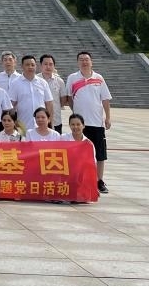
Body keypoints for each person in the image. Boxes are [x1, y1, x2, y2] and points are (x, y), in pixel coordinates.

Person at [64, 51, 113, 193]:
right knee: (79, 154)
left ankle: (99, 181)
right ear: (77, 62)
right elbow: (69, 98)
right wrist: (76, 113)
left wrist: (108, 117)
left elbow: (105, 99)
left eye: (86, 59)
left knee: (100, 154)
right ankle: (81, 179)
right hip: (79, 126)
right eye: (81, 59)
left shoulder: (99, 78)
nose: (84, 62)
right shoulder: (72, 78)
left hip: (97, 123)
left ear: (91, 62)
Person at [8, 55, 54, 132]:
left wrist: (50, 122)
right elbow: (12, 105)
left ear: (36, 66)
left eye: (32, 65)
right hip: (22, 125)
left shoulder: (42, 83)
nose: (30, 67)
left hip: (41, 124)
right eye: (27, 65)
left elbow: (49, 103)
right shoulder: (15, 83)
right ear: (22, 66)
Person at [40, 54, 66, 133]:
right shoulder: (36, 80)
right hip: (38, 120)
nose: (48, 67)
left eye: (51, 64)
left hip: (56, 120)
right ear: (41, 65)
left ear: (54, 66)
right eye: (45, 64)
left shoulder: (59, 81)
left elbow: (63, 100)